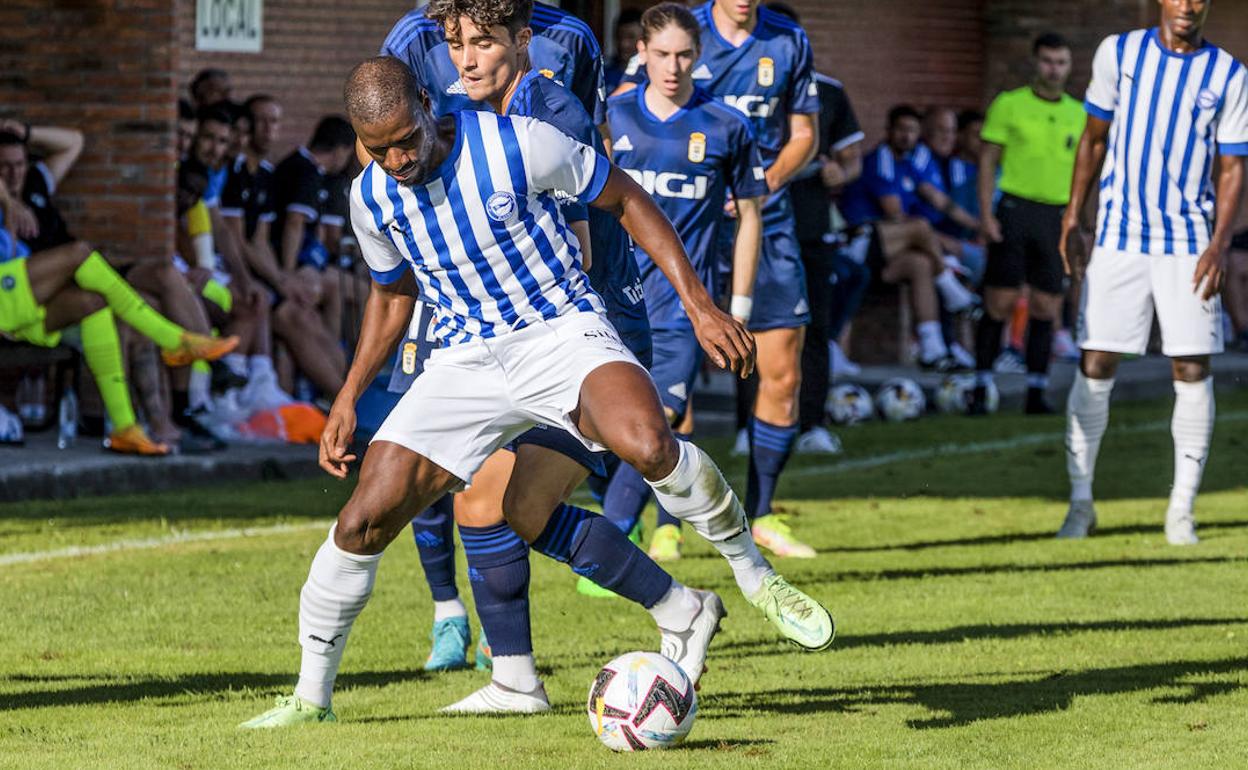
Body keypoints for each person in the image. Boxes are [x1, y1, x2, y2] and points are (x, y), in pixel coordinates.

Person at [239, 55, 834, 729]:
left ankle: (756, 577)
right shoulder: (370, 197)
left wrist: (699, 306)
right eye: (379, 148)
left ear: (428, 111)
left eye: (407, 139)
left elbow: (627, 198)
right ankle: (311, 700)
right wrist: (348, 395)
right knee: (361, 522)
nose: (398, 158)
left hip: (559, 332)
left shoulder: (516, 142)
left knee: (645, 442)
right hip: (462, 361)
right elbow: (390, 295)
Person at [384, 0, 659, 705]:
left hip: (552, 315)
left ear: (518, 37)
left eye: (481, 42)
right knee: (433, 470)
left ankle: (696, 594)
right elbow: (382, 136)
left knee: (509, 502)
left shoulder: (564, 63)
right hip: (462, 296)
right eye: (458, 46)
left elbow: (590, 196)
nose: (465, 58)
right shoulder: (412, 38)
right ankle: (456, 619)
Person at [1058, 0, 1247, 545]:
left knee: (1191, 368)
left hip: (1189, 243)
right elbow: (1092, 139)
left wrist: (1219, 243)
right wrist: (1074, 216)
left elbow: (1233, 167)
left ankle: (1181, 511)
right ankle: (1080, 503)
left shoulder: (1230, 75)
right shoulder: (1119, 53)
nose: (1187, 5)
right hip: (1118, 236)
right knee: (1095, 362)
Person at [601, 4, 769, 561]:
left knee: (660, 416)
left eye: (685, 55)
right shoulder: (611, 117)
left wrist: (736, 305)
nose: (673, 66)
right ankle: (653, 523)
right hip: (609, 303)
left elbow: (749, 217)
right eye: (662, 54)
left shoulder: (727, 125)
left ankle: (607, 549)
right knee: (606, 429)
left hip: (681, 311)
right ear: (641, 53)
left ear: (699, 56)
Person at [0, 181, 238, 454]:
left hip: (11, 301)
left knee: (93, 303)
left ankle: (124, 428)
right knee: (79, 253)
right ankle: (172, 339)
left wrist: (8, 206)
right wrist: (7, 201)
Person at [973, 33, 1085, 416]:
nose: (1054, 69)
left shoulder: (1079, 112)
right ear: (1036, 63)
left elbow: (1088, 173)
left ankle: (1036, 391)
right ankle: (981, 385)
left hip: (1055, 216)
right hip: (1014, 210)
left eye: (1061, 62)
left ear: (1070, 66)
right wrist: (986, 214)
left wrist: (1084, 220)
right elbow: (988, 160)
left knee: (1046, 305)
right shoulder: (1009, 104)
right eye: (1048, 61)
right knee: (999, 301)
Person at [220, 96, 347, 399]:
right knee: (292, 316)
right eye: (260, 121)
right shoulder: (233, 172)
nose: (268, 129)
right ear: (246, 128)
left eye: (274, 121)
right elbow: (235, 240)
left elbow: (259, 241)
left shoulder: (264, 173)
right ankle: (343, 408)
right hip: (233, 272)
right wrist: (281, 280)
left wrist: (283, 280)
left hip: (263, 273)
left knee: (307, 314)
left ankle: (352, 399)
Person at [839, 105, 979, 370]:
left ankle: (933, 348)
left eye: (912, 131)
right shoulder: (880, 159)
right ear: (889, 131)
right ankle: (952, 290)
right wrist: (937, 242)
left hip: (884, 253)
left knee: (921, 264)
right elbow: (895, 214)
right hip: (857, 244)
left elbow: (938, 199)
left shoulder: (909, 164)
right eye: (901, 129)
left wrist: (979, 226)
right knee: (920, 228)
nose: (906, 136)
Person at [271, 116, 357, 348]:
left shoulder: (300, 165)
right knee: (335, 289)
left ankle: (337, 354)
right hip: (283, 262)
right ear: (341, 150)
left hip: (294, 261)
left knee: (336, 286)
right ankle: (337, 358)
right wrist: (288, 273)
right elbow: (294, 223)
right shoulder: (306, 171)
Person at [604, 8, 643, 93]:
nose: (624, 44)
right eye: (619, 36)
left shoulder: (652, 76)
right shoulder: (603, 72)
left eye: (631, 37)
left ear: (644, 39)